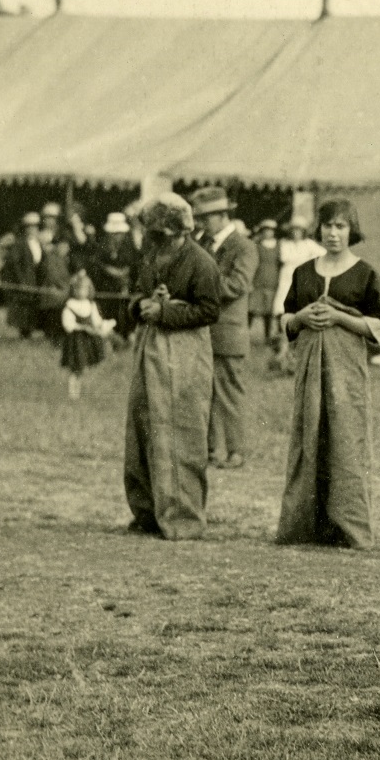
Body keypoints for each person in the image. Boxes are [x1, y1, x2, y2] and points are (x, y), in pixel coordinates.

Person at [276, 199, 380, 548]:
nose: (334, 233)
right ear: (319, 229)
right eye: (328, 226)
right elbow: (286, 318)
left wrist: (340, 318)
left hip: (346, 371)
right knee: (309, 435)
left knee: (345, 438)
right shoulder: (304, 272)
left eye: (341, 226)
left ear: (351, 230)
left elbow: (379, 327)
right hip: (310, 369)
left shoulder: (365, 274)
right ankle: (304, 525)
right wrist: (300, 319)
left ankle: (348, 527)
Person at [123, 193, 221, 539]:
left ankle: (183, 517)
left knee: (181, 430)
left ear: (178, 230)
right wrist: (143, 306)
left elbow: (210, 310)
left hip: (186, 353)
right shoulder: (150, 257)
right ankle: (146, 512)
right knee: (143, 426)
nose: (154, 239)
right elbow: (134, 296)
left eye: (160, 232)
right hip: (150, 350)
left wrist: (167, 312)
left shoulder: (201, 262)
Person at [192, 186, 255, 469]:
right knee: (206, 393)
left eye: (205, 218)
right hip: (203, 332)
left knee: (229, 394)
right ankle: (213, 450)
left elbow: (237, 286)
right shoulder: (202, 243)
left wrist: (201, 286)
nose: (201, 223)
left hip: (228, 333)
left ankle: (235, 451)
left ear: (221, 216)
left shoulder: (244, 247)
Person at [273, 218, 326, 371]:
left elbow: (323, 254)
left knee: (301, 310)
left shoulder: (308, 244)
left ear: (303, 232)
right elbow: (283, 258)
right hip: (287, 277)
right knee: (283, 309)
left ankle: (298, 351)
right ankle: (283, 350)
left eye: (299, 230)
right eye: (293, 230)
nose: (296, 233)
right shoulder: (285, 244)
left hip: (302, 278)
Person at [59, 270, 114, 400]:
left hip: (87, 341)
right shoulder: (70, 305)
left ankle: (79, 390)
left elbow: (96, 321)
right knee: (76, 366)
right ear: (73, 290)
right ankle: (73, 392)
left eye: (84, 289)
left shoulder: (90, 305)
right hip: (76, 340)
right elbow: (68, 325)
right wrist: (83, 328)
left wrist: (104, 326)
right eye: (78, 289)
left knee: (83, 366)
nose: (81, 292)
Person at [91, 212, 139, 338]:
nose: (117, 236)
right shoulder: (103, 245)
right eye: (114, 233)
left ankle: (125, 333)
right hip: (106, 283)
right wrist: (109, 270)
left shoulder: (129, 245)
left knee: (124, 309)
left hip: (124, 282)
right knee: (108, 307)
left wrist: (123, 272)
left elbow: (133, 262)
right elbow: (97, 263)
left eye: (120, 233)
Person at [1, 212, 44, 339]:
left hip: (37, 278)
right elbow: (14, 263)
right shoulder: (19, 244)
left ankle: (31, 329)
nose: (32, 230)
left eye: (35, 227)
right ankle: (24, 332)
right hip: (25, 279)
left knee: (34, 305)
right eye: (29, 227)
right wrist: (21, 279)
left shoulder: (39, 243)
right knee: (24, 307)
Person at [247, 218, 283, 345]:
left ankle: (267, 336)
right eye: (266, 230)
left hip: (272, 281)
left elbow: (280, 263)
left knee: (268, 311)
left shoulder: (278, 245)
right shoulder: (257, 245)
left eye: (271, 231)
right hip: (258, 280)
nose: (268, 233)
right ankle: (245, 334)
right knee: (252, 308)